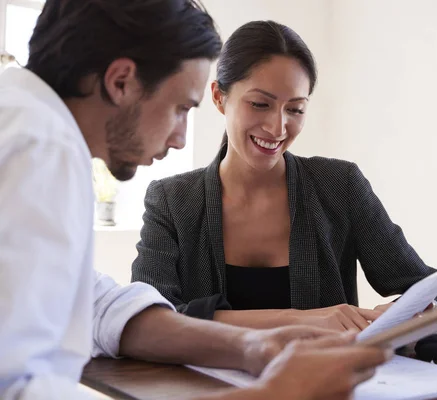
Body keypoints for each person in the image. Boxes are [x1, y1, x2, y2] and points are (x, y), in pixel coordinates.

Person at [0, 1, 389, 399]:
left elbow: (95, 304)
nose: (181, 138)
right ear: (121, 81)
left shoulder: (28, 125)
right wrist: (274, 394)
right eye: (180, 108)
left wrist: (253, 346)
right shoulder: (39, 148)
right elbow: (18, 388)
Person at [131, 20, 437, 332]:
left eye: (295, 109)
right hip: (209, 389)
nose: (278, 127)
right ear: (219, 97)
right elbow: (147, 317)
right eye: (260, 104)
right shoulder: (172, 202)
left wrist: (405, 315)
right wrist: (304, 320)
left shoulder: (340, 185)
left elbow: (435, 292)